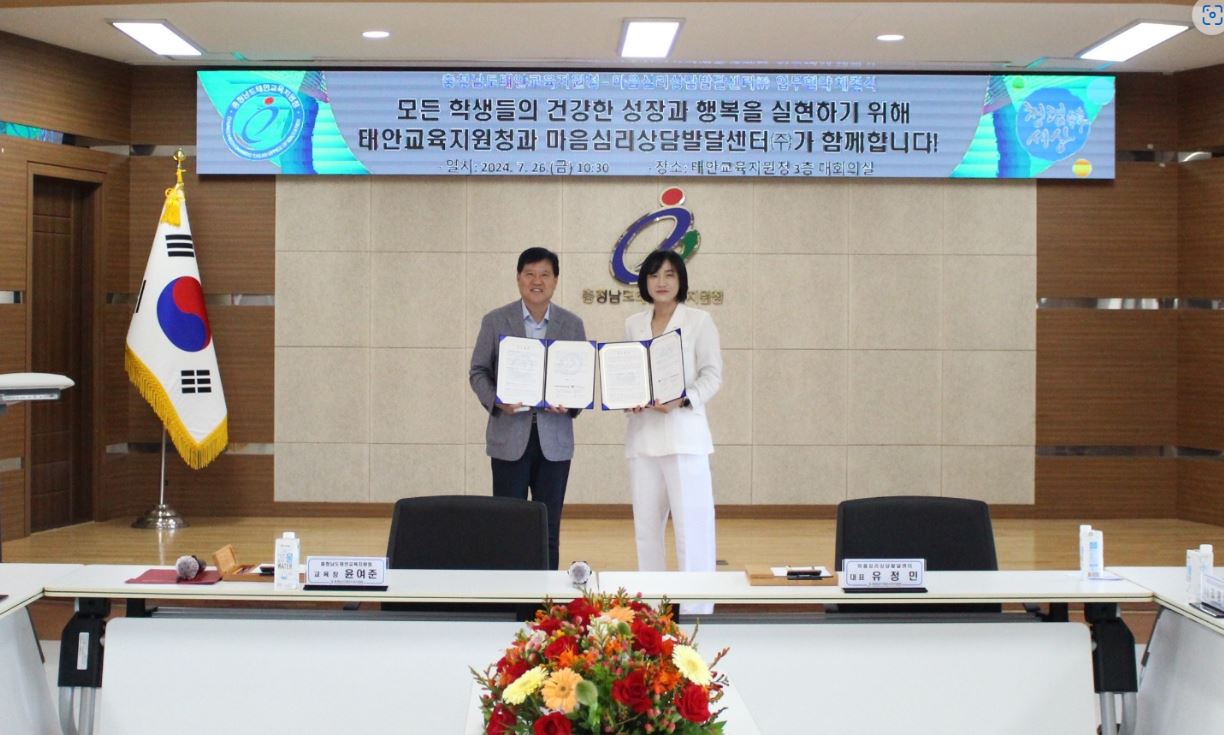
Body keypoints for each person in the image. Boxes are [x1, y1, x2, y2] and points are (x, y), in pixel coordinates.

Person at [469, 247, 586, 570]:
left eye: (545, 274)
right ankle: (508, 594)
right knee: (508, 527)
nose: (537, 281)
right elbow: (478, 372)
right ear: (518, 278)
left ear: (556, 280)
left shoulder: (572, 324)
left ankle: (545, 597)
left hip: (555, 441)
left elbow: (581, 379)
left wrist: (571, 403)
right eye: (530, 274)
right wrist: (497, 400)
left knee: (548, 529)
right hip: (509, 438)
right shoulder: (495, 320)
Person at [624, 248, 722, 615]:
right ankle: (651, 610)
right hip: (643, 439)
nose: (661, 282)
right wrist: (629, 398)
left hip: (685, 439)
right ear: (644, 282)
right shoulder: (633, 324)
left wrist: (683, 399)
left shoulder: (699, 321)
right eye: (654, 275)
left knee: (692, 530)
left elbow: (712, 375)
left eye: (669, 274)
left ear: (681, 280)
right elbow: (629, 374)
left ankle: (697, 610)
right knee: (647, 531)